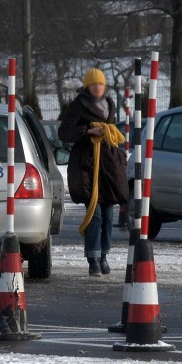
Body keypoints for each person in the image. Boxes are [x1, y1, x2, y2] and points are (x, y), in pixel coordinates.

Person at [58, 68, 128, 277]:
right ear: (87, 86)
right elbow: (64, 132)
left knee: (108, 214)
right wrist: (88, 131)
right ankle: (93, 260)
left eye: (101, 84)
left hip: (107, 164)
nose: (98, 87)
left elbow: (113, 130)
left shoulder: (110, 104)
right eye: (94, 84)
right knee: (94, 213)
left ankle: (104, 255)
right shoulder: (78, 105)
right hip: (87, 165)